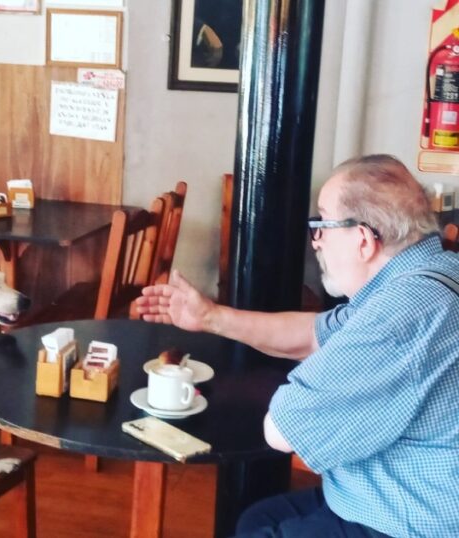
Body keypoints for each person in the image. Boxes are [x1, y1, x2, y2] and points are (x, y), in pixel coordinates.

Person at [135, 155, 459, 538]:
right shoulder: (428, 274)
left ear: (363, 240)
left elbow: (284, 429)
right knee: (255, 520)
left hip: (411, 520)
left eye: (322, 224)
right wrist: (208, 316)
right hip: (388, 492)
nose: (316, 241)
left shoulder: (402, 311)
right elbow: (312, 334)